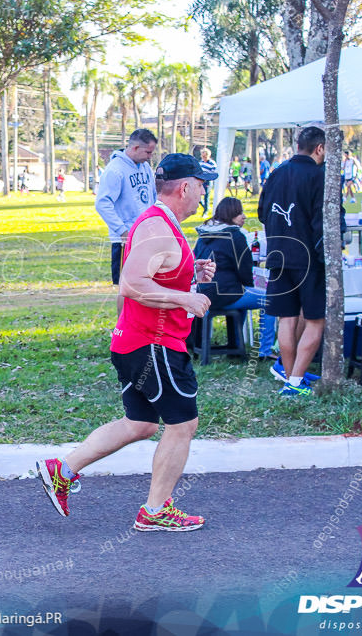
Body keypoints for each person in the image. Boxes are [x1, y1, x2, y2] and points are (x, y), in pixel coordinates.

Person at [37, 153, 216, 531]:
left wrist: (189, 274)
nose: (203, 193)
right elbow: (132, 283)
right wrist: (184, 298)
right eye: (201, 185)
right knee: (183, 425)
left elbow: (153, 273)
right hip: (155, 345)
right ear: (185, 187)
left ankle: (62, 470)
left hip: (136, 342)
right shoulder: (159, 228)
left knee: (141, 423)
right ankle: (155, 510)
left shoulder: (158, 223)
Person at [258, 126, 336, 397]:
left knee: (286, 319)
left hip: (278, 255)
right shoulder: (319, 175)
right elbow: (323, 221)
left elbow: (261, 212)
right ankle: (294, 380)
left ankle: (291, 378)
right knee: (316, 320)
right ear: (320, 148)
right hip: (309, 259)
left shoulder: (276, 172)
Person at [193, 198, 277, 361]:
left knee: (243, 298)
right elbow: (244, 269)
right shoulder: (235, 235)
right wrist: (250, 285)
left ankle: (236, 345)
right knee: (270, 300)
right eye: (239, 213)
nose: (244, 216)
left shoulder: (204, 234)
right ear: (231, 214)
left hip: (204, 293)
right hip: (226, 293)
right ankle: (264, 350)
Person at [94, 129, 157, 313]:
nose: (150, 157)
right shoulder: (115, 170)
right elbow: (102, 203)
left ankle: (141, 325)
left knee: (148, 283)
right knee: (126, 286)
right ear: (135, 147)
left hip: (147, 234)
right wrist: (123, 231)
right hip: (125, 240)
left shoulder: (145, 167)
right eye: (148, 152)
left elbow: (151, 197)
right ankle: (122, 327)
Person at [198, 148, 217, 216]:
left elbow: (214, 172)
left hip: (208, 181)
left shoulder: (212, 163)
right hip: (201, 181)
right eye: (202, 156)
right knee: (198, 196)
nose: (204, 157)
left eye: (205, 156)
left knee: (206, 196)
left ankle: (205, 211)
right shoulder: (200, 163)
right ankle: (205, 207)